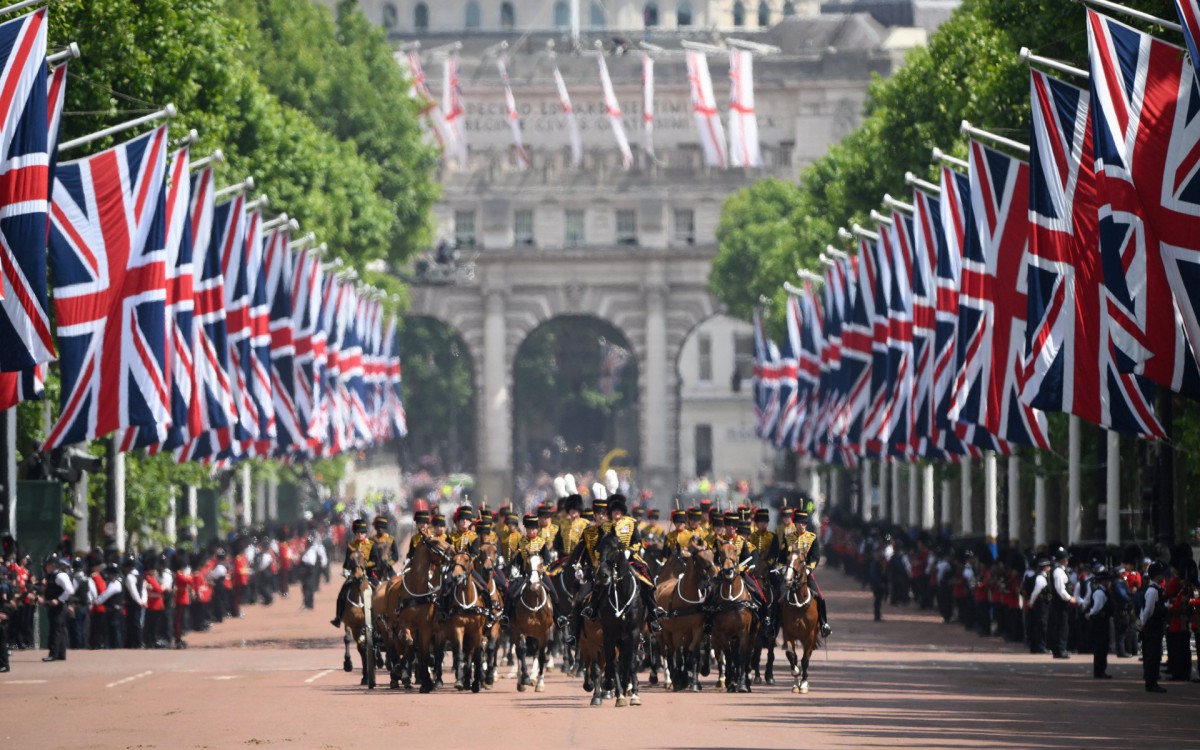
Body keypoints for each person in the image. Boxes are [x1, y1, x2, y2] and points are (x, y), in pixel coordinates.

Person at [778, 510, 831, 638]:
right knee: (778, 598)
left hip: (805, 575)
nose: (801, 525)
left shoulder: (812, 537)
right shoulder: (788, 538)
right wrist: (783, 569)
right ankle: (775, 624)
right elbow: (781, 558)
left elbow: (815, 557)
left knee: (820, 597)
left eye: (804, 523)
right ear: (795, 523)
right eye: (799, 522)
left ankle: (824, 624)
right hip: (790, 574)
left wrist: (808, 569)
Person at [330, 518, 375, 628]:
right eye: (358, 533)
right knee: (342, 594)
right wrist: (346, 572)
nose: (360, 535)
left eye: (362, 533)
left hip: (369, 574)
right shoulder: (351, 546)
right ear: (355, 533)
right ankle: (338, 617)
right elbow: (346, 564)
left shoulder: (371, 545)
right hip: (354, 576)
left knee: (379, 591)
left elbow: (375, 561)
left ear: (366, 533)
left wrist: (365, 566)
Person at [1138, 561, 1168, 693]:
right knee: (1152, 655)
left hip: (1153, 626)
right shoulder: (1153, 591)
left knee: (1155, 655)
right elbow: (1148, 610)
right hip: (1152, 626)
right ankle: (1151, 682)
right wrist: (1143, 624)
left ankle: (1152, 681)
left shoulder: (1155, 590)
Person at [40, 554, 74, 661]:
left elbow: (70, 590)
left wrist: (59, 599)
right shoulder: (51, 576)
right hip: (54, 606)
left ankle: (53, 653)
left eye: (47, 565)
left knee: (56, 630)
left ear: (53, 565)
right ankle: (60, 653)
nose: (45, 567)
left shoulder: (60, 576)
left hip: (59, 607)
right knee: (60, 629)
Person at [1083, 567, 1115, 679]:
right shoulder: (1100, 593)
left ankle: (1101, 669)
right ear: (1104, 581)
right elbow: (1096, 607)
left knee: (1103, 647)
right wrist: (1091, 614)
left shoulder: (1103, 592)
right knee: (1100, 647)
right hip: (1099, 623)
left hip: (1102, 622)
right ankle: (1099, 670)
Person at [1048, 547, 1075, 659]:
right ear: (1064, 560)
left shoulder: (1060, 570)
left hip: (1060, 602)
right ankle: (1060, 649)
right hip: (1060, 602)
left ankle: (1059, 649)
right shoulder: (1059, 571)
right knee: (1062, 626)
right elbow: (1060, 589)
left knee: (1061, 626)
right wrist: (1069, 598)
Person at [1026, 558, 1052, 654]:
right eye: (1048, 566)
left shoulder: (1043, 577)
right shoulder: (1041, 578)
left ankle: (1038, 646)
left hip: (1041, 604)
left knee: (1039, 625)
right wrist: (1031, 602)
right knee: (1042, 625)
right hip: (1041, 605)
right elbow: (1036, 592)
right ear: (1045, 567)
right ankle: (1041, 646)